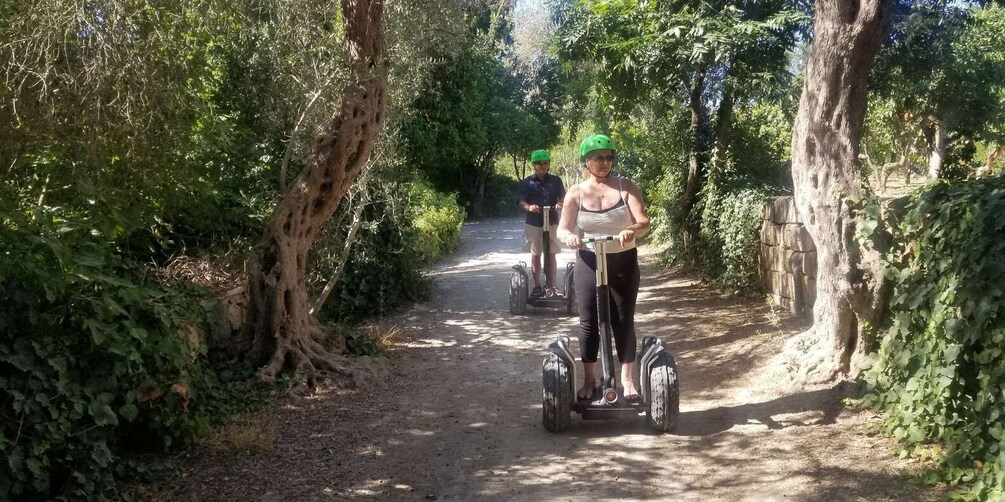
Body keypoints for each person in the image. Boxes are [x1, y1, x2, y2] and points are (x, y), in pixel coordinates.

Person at [555, 134, 651, 401]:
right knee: (588, 322)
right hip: (588, 260)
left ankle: (628, 381)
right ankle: (589, 381)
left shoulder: (625, 187)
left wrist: (632, 230)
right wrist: (569, 237)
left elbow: (644, 222)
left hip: (623, 261)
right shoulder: (576, 192)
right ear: (587, 161)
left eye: (609, 157)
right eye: (599, 158)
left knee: (623, 319)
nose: (605, 162)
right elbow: (562, 229)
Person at [518, 149, 565, 297]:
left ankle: (552, 285)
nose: (542, 166)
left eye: (545, 163)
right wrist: (528, 207)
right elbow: (521, 201)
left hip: (551, 222)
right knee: (536, 253)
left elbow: (564, 198)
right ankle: (537, 286)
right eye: (539, 163)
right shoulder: (527, 182)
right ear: (534, 165)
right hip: (534, 222)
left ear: (549, 164)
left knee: (551, 254)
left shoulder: (556, 181)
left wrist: (560, 204)